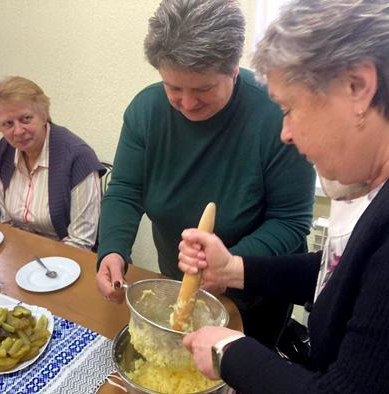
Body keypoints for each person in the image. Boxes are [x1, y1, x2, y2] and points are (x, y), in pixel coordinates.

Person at [180, 0, 389, 392]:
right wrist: (231, 269)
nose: (286, 133)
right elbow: (341, 273)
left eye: (289, 108)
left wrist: (231, 351)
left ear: (357, 86)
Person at [95, 0, 315, 348]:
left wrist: (228, 269)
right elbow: (125, 189)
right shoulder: (146, 111)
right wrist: (112, 250)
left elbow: (290, 221)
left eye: (202, 89)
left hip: (253, 291)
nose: (187, 102)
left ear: (233, 71)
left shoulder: (276, 117)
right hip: (178, 278)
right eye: (173, 88)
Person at [0, 76, 105, 250]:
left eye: (26, 119)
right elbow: (7, 223)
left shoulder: (78, 157)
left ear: (43, 115)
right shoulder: (4, 151)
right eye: (8, 124)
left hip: (71, 262)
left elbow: (81, 242)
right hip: (25, 256)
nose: (18, 131)